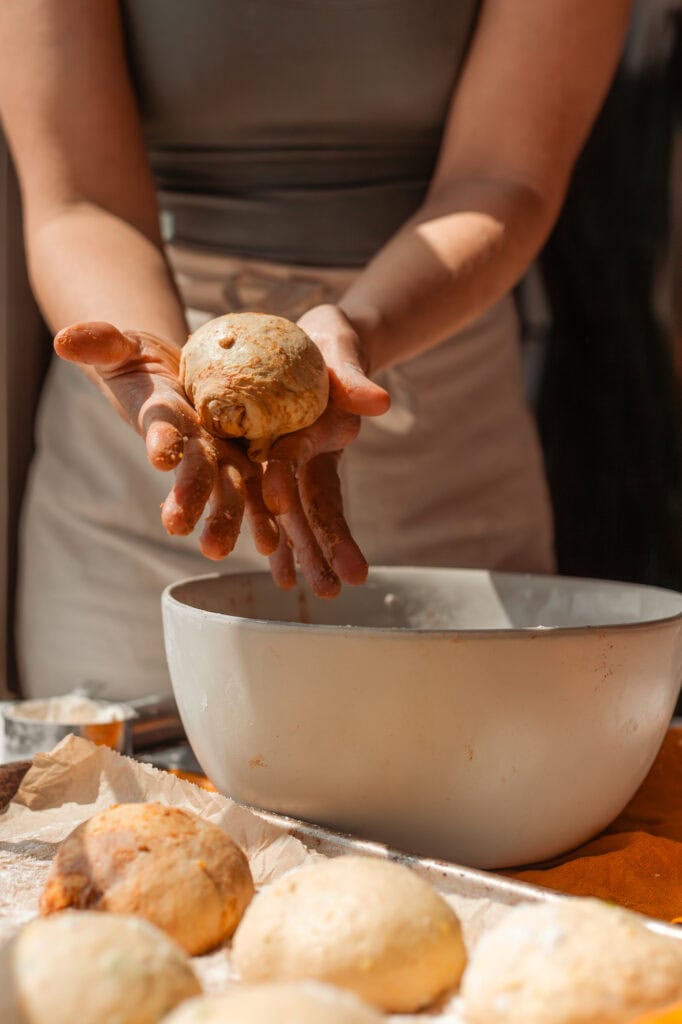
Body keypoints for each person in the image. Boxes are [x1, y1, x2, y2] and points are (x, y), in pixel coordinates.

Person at [0, 0, 632, 701]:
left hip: (437, 397)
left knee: (469, 772)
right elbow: (81, 201)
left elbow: (508, 174)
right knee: (135, 805)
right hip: (146, 445)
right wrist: (150, 356)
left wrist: (360, 330)